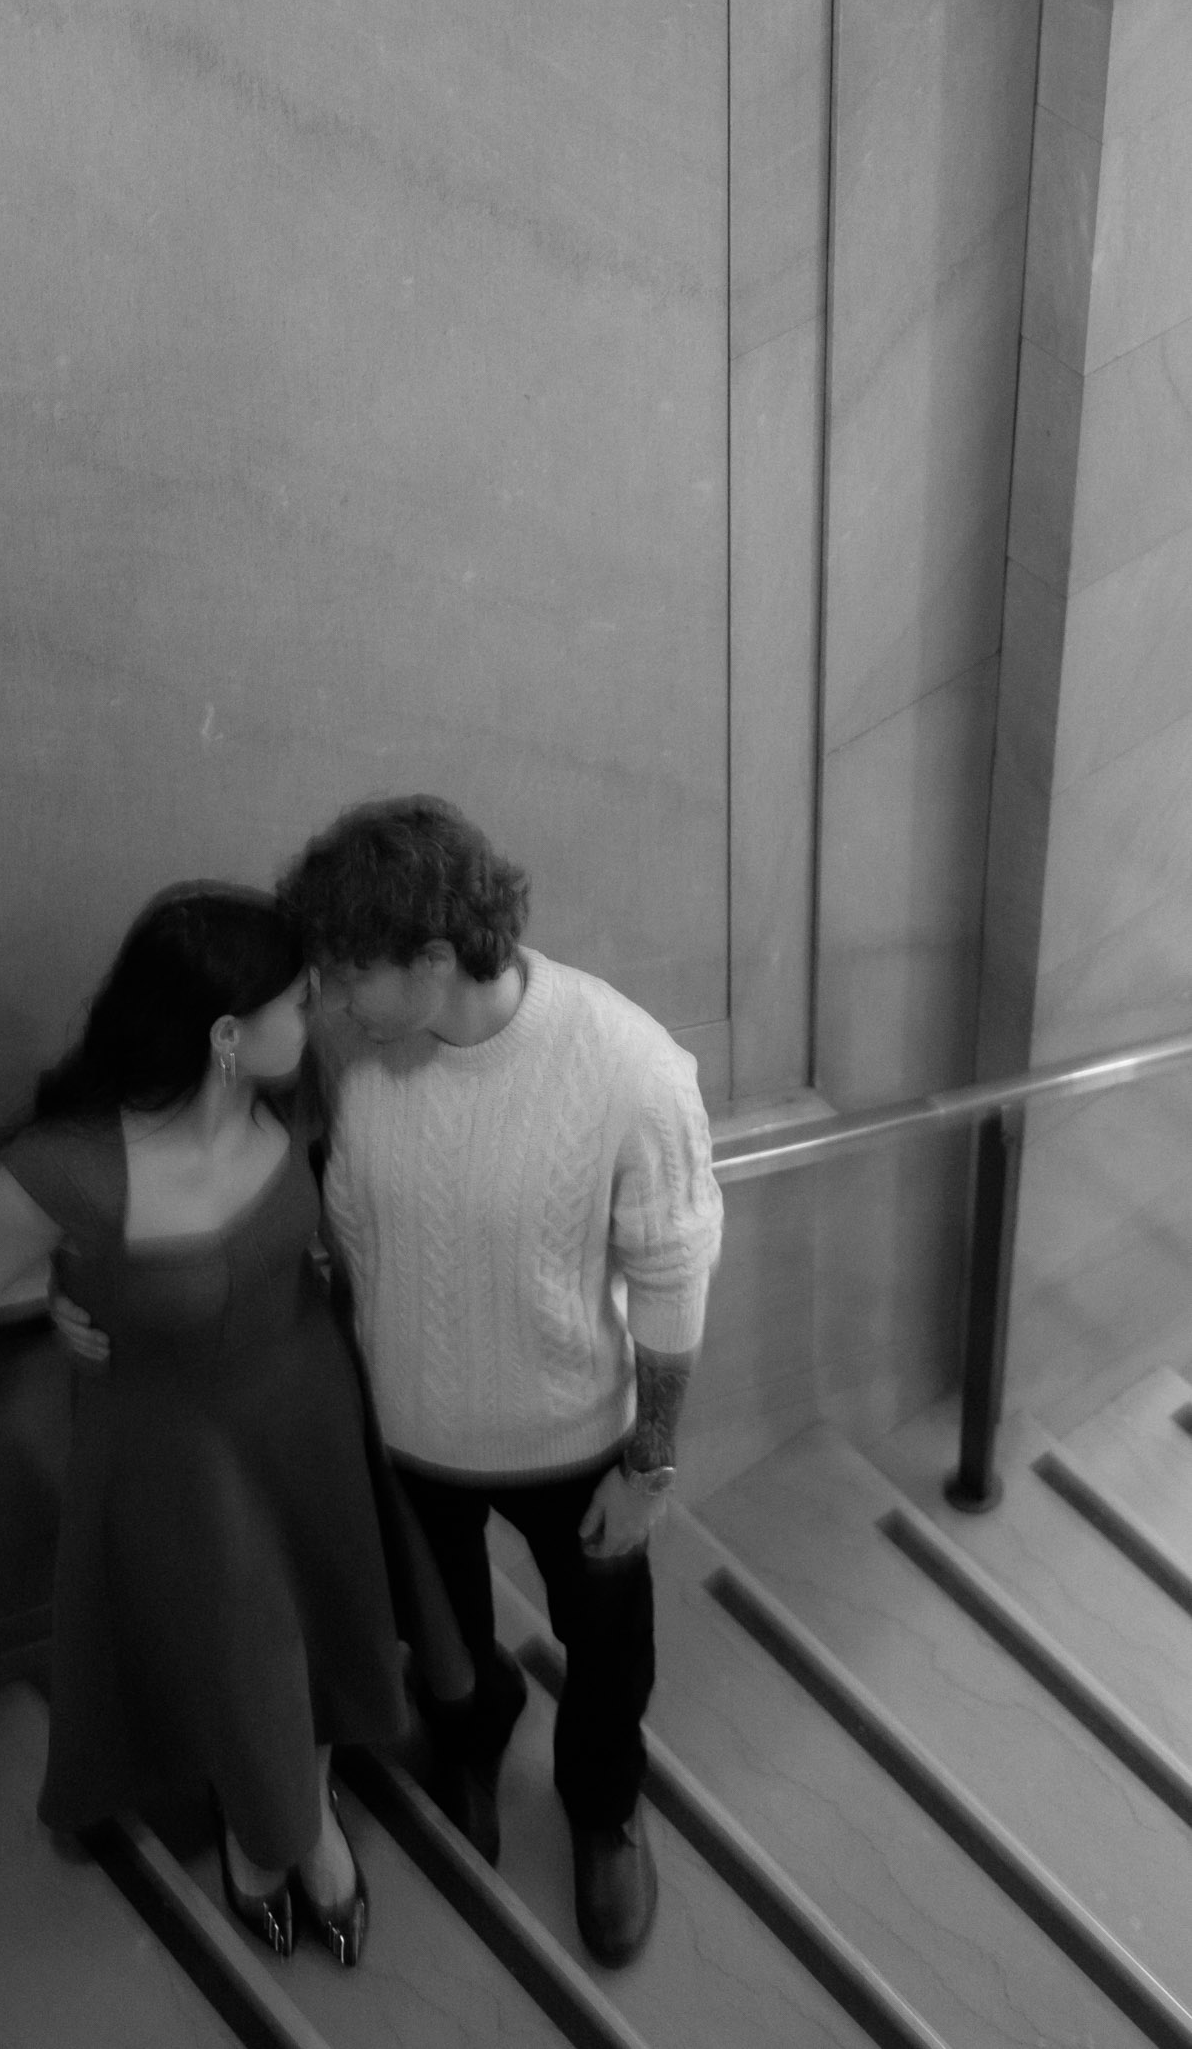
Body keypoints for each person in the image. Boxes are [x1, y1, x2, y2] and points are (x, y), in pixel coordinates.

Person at [0, 883, 459, 1967]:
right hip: (174, 1461)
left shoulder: (295, 1094)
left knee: (328, 1617)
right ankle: (274, 1836)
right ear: (224, 1032)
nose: (320, 1013)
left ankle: (310, 1800)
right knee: (242, 1652)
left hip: (307, 1411)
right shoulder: (65, 1170)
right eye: (299, 998)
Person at [275, 796, 725, 1967]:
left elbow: (671, 1277)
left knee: (609, 1651)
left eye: (346, 973)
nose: (326, 998)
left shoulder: (628, 1067)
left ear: (434, 960)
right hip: (408, 1440)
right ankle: (471, 1735)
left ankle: (601, 1803)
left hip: (577, 1441)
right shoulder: (359, 1056)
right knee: (444, 1637)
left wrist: (650, 1462)